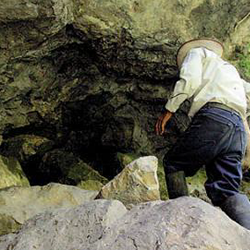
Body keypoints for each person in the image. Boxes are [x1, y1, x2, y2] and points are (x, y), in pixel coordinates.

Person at [155, 38, 250, 230]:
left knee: (174, 164)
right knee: (227, 190)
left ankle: (179, 225)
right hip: (238, 127)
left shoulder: (197, 53)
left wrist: (168, 110)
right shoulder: (231, 71)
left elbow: (189, 79)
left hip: (215, 117)